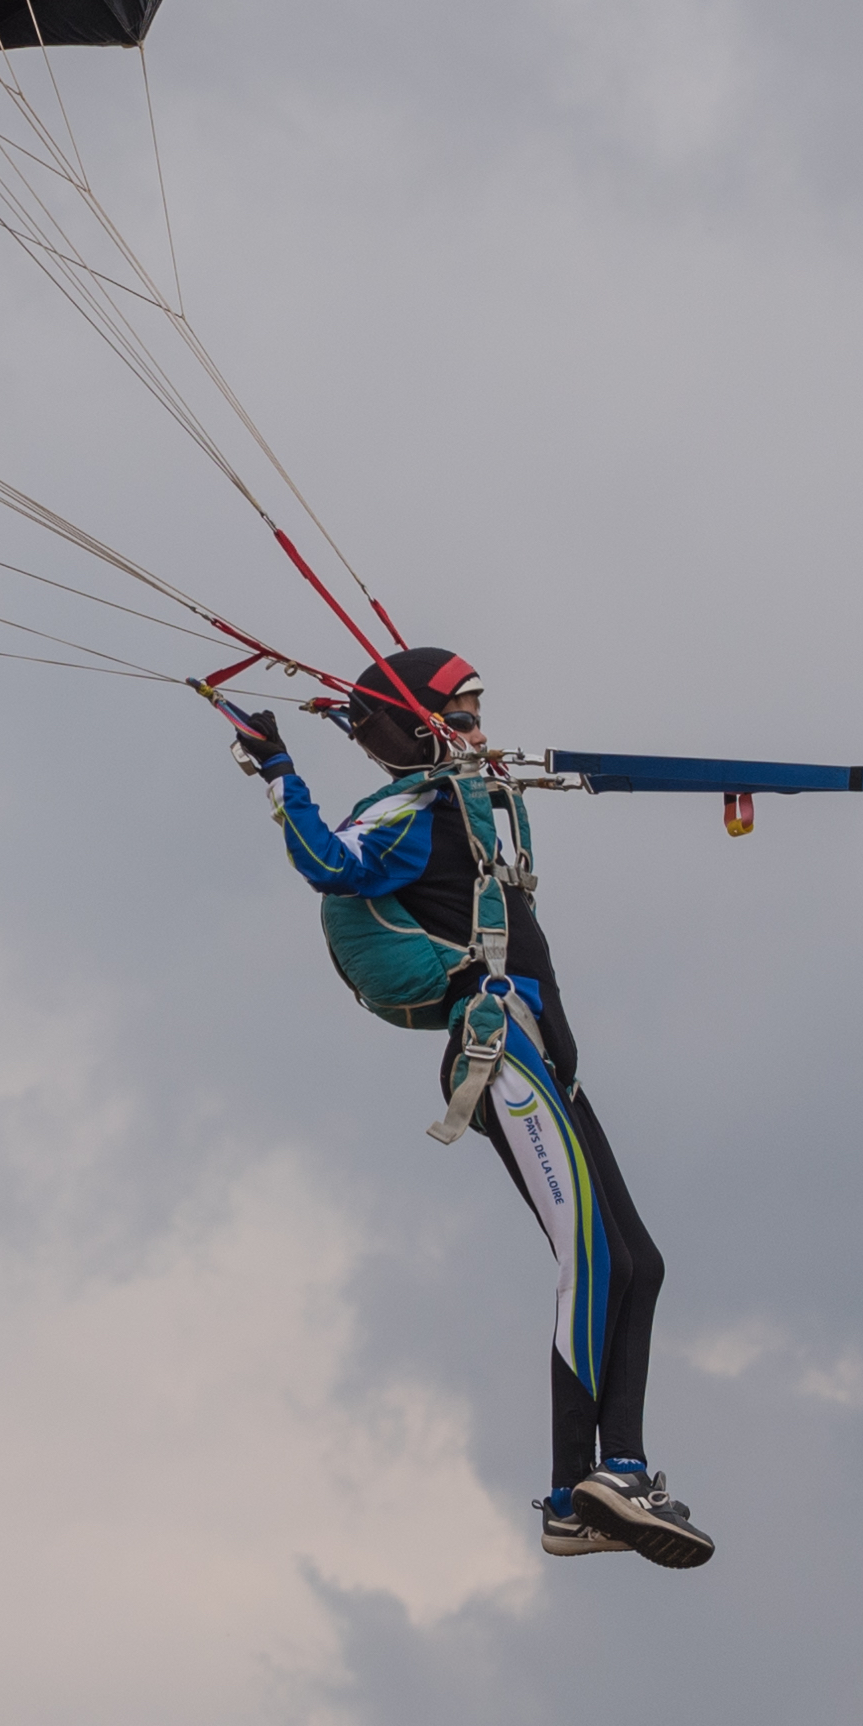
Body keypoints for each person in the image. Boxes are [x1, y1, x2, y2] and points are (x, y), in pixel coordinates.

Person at [228, 645, 710, 1569]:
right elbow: (335, 865)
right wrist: (282, 773)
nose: (484, 732)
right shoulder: (414, 813)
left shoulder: (467, 797)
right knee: (593, 1257)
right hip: (501, 1056)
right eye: (467, 715)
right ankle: (600, 1480)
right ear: (422, 727)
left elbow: (430, 756)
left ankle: (587, 1501)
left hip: (546, 1066)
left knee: (638, 1264)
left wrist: (376, 722)